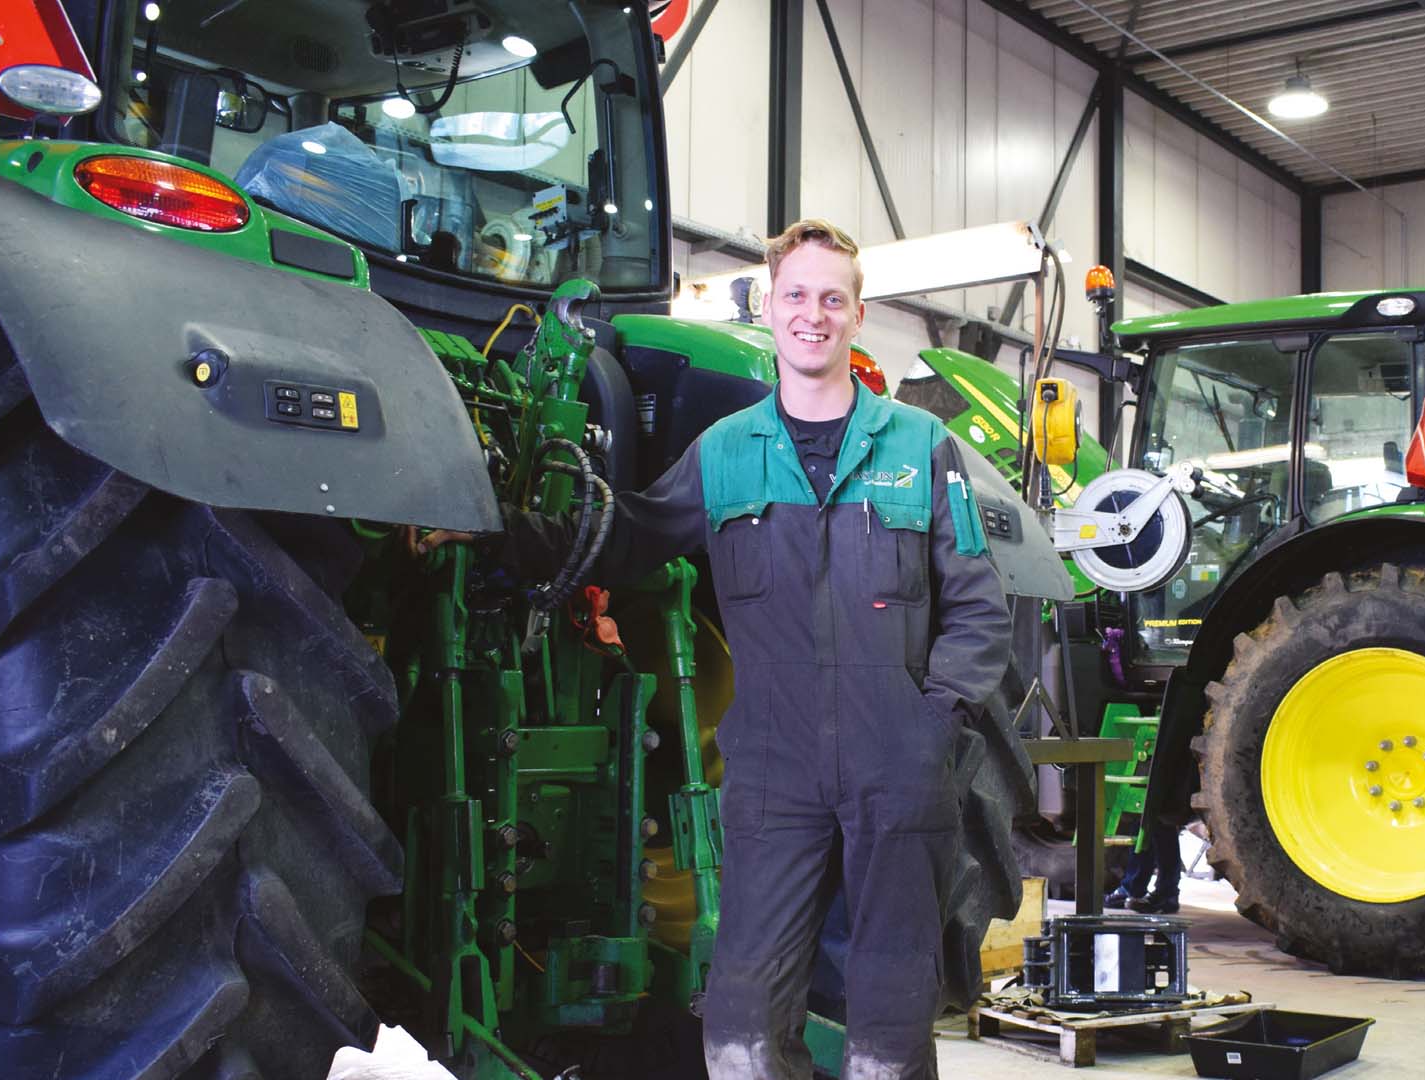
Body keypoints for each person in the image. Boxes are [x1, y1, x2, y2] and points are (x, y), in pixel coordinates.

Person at [424, 219, 1011, 1079]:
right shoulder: (727, 453)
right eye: (797, 297)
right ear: (769, 308)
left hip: (899, 763)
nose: (814, 315)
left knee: (890, 1014)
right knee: (740, 1016)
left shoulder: (921, 448)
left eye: (833, 299)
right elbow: (632, 536)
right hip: (773, 764)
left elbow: (978, 607)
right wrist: (499, 531)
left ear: (858, 315)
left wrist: (935, 727)